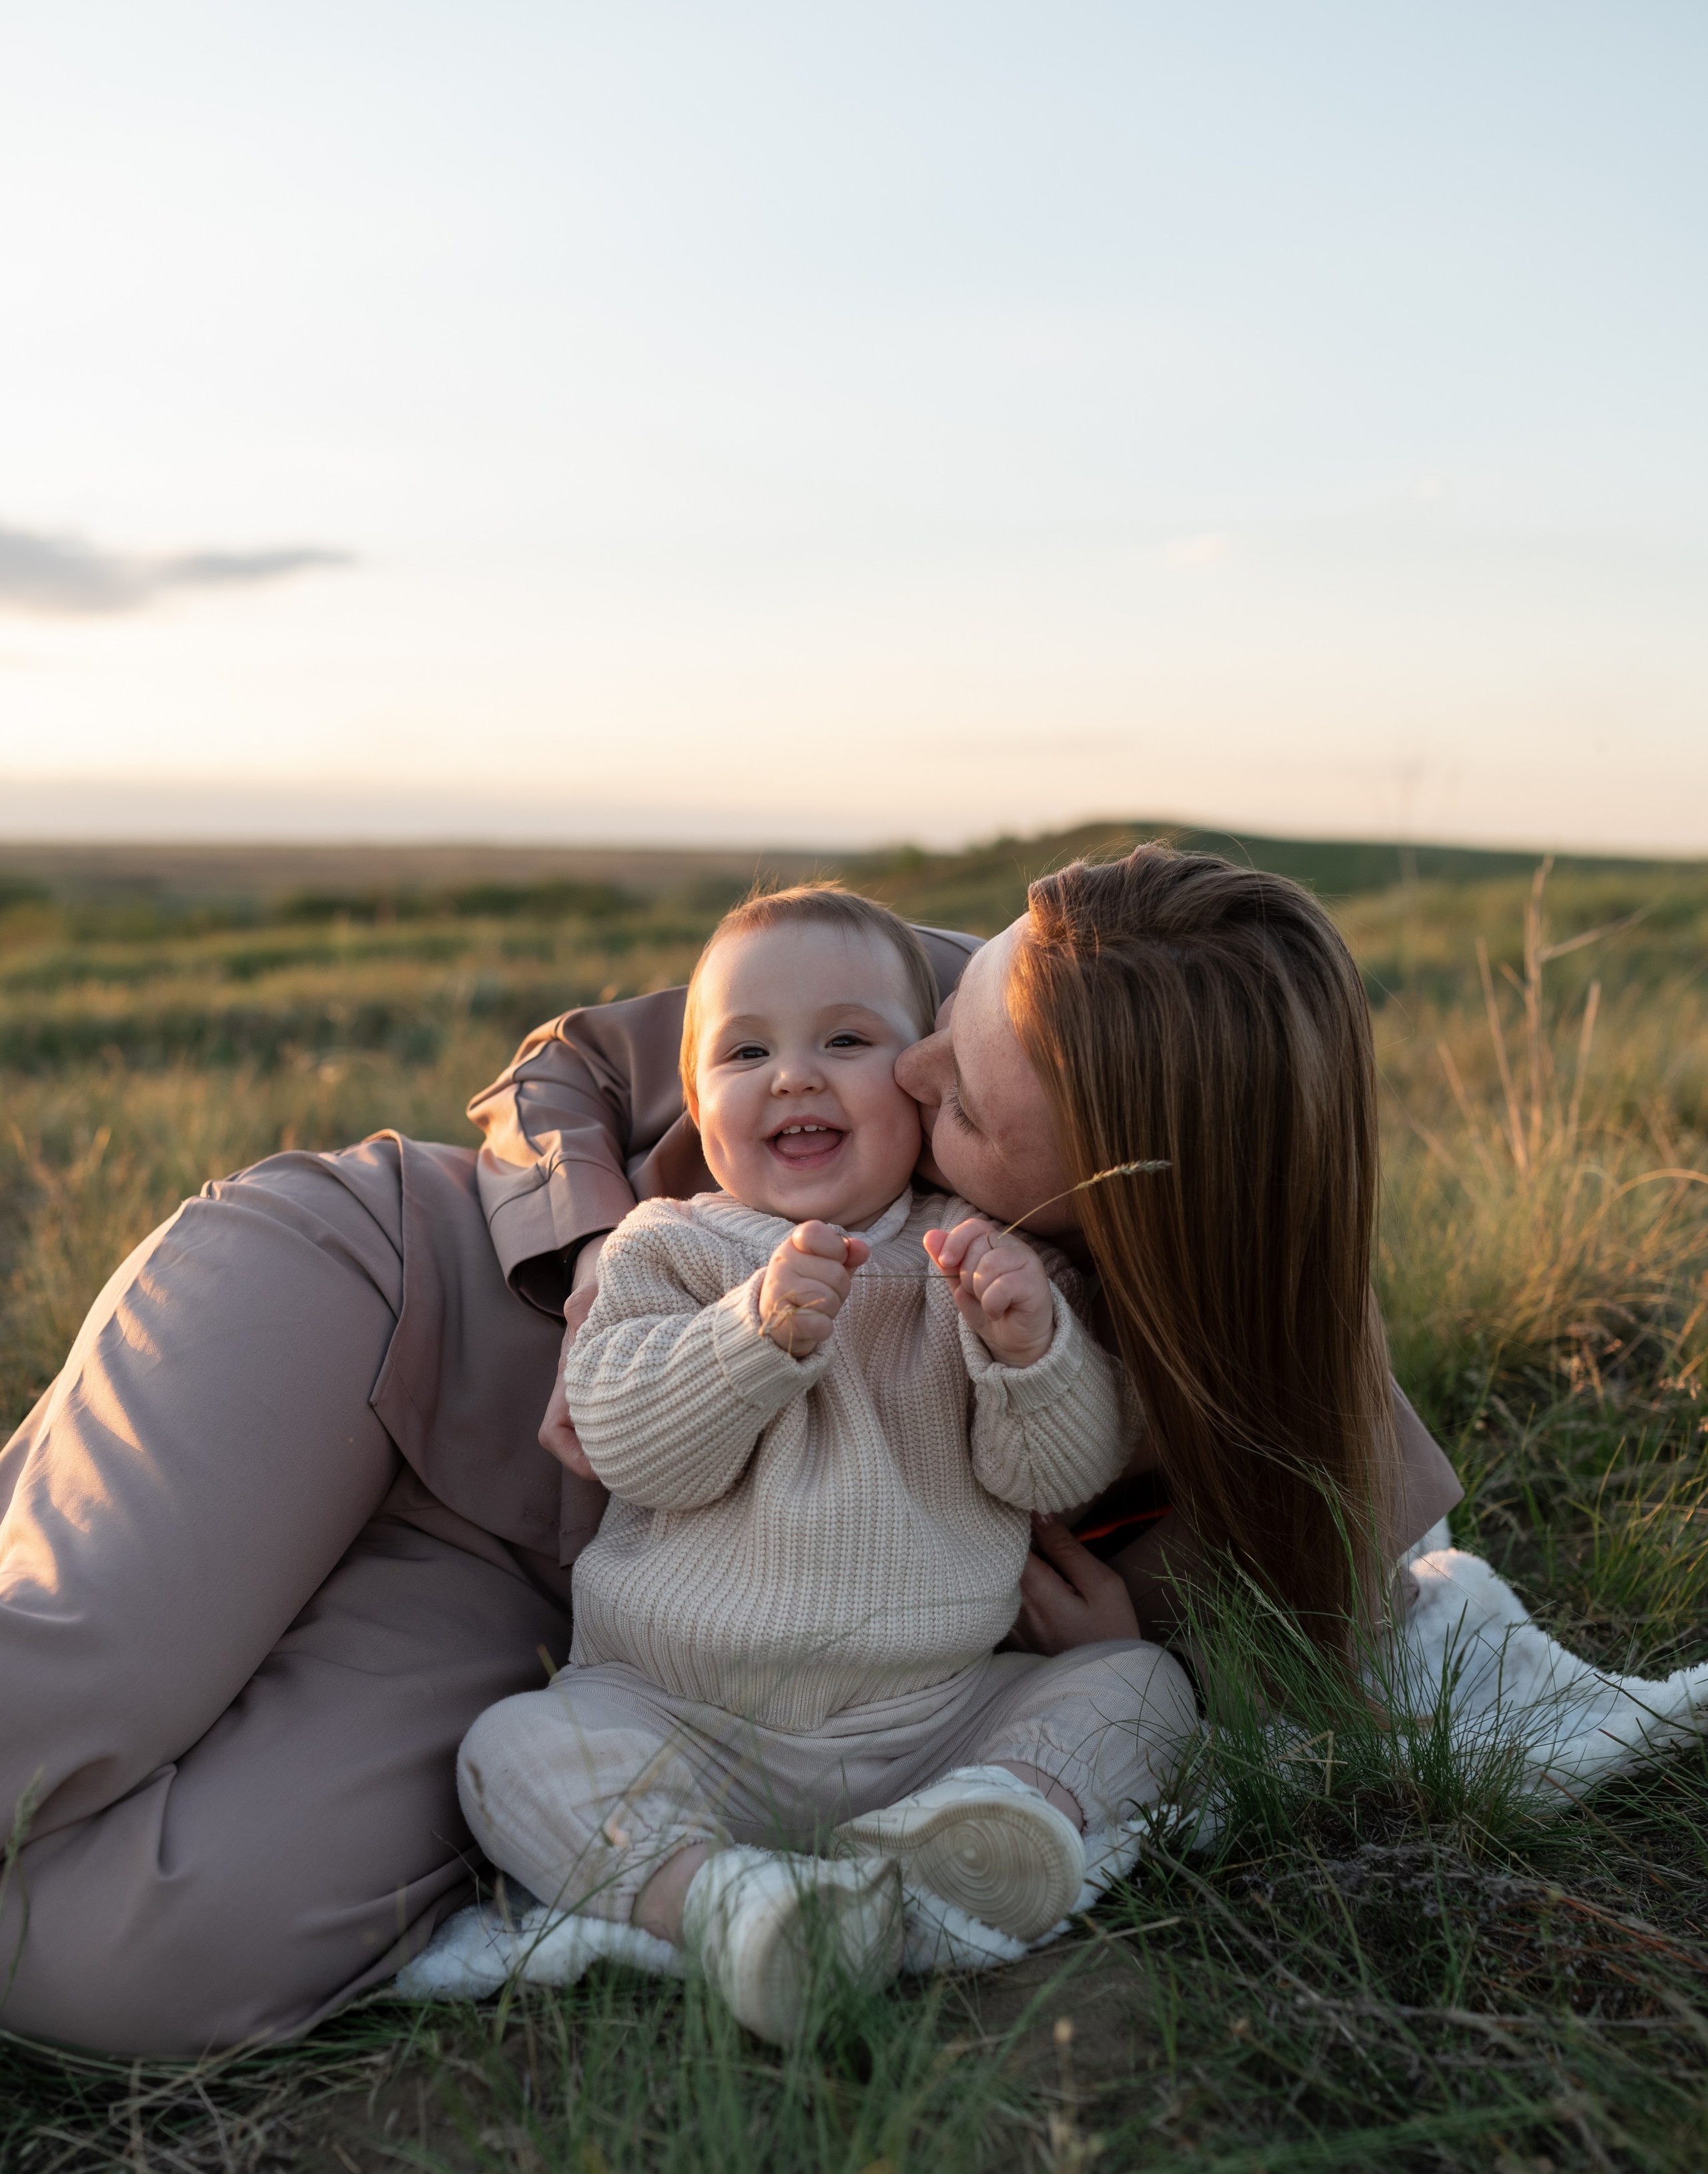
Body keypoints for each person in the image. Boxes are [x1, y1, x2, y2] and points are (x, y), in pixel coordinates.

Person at [0, 842, 1458, 2058]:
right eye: (943, 1013)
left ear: (1092, 1200)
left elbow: (1315, 1611)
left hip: (546, 1588)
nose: (916, 1058)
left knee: (144, 1958)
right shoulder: (1014, 971)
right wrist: (582, 1257)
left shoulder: (1190, 1321)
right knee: (80, 1679)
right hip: (389, 1311)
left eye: (951, 1096)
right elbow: (571, 1059)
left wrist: (1142, 1620)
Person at [456, 886, 1188, 2045]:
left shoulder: (982, 1255)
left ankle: (984, 1826)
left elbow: (1054, 1475)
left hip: (934, 1710)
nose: (794, 1075)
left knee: (1140, 1687)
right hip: (682, 1714)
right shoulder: (671, 1250)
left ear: (923, 1078)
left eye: (846, 1040)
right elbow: (631, 1447)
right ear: (698, 1107)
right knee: (514, 1751)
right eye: (747, 1052)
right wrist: (752, 1341)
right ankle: (726, 1902)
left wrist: (1031, 1350)